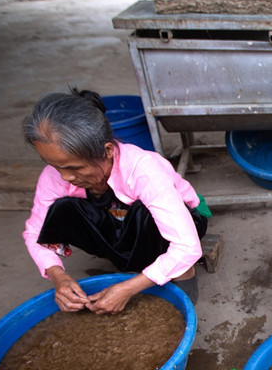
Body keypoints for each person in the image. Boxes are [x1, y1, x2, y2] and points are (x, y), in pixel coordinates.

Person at [22, 88, 208, 313]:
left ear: (107, 150)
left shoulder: (143, 169)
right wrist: (58, 275)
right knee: (62, 209)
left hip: (181, 219)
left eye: (74, 168)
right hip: (119, 219)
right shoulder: (55, 177)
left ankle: (184, 278)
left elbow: (187, 246)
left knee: (145, 215)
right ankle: (131, 260)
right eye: (55, 166)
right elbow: (34, 233)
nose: (65, 176)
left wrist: (129, 288)